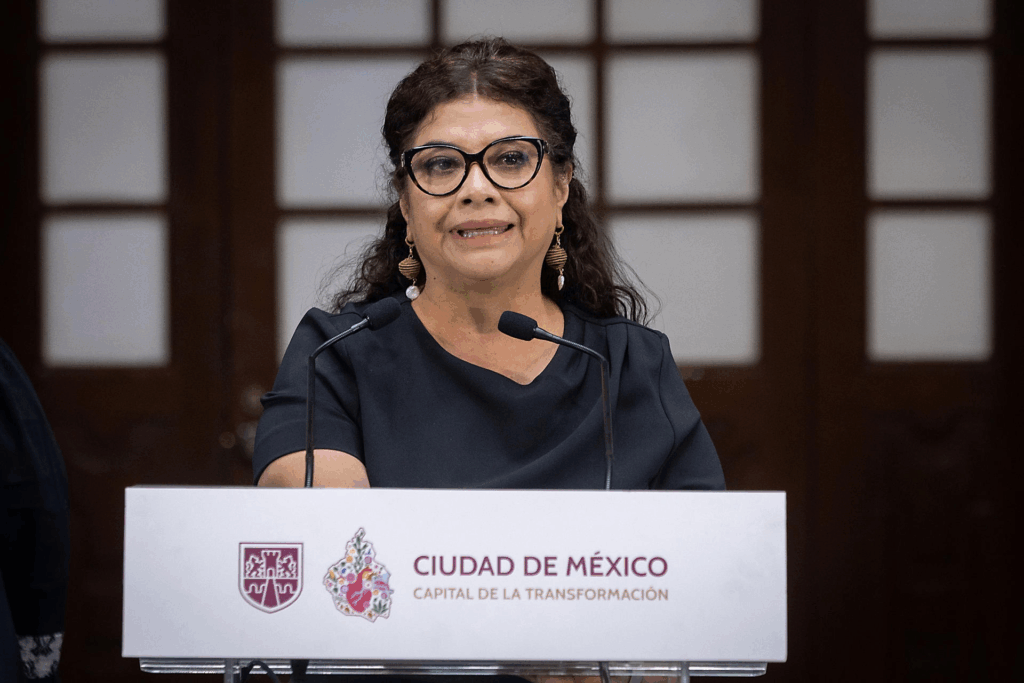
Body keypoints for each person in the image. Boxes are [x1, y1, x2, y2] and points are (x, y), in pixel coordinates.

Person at [253, 37, 724, 492]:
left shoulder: (628, 363)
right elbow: (332, 534)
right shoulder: (334, 354)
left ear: (561, 186)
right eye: (442, 164)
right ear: (405, 202)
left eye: (511, 159)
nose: (476, 189)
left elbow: (701, 539)